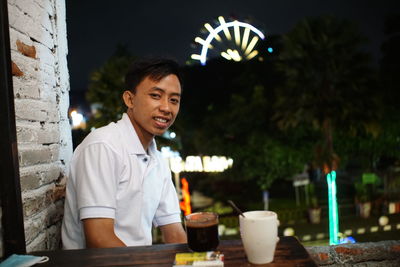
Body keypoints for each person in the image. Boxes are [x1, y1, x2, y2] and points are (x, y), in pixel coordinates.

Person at [61, 58, 187, 249]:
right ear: (129, 99)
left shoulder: (158, 160)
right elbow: (99, 239)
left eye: (174, 100)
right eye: (155, 95)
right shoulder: (103, 147)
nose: (166, 108)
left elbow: (174, 232)